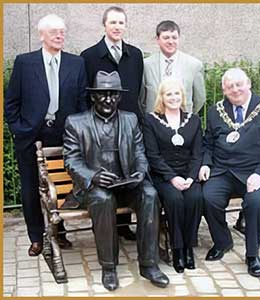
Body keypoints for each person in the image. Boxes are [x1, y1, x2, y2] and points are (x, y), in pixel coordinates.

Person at [63, 70, 169, 291]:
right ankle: (109, 267)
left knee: (150, 194)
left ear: (119, 97)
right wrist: (93, 176)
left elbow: (140, 152)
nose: (108, 99)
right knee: (103, 199)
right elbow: (71, 161)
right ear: (93, 96)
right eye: (103, 94)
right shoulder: (76, 123)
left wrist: (140, 171)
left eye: (113, 94)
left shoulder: (130, 120)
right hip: (96, 188)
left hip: (126, 183)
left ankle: (149, 264)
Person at [4, 14, 88, 257]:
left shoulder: (76, 63)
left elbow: (82, 101)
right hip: (31, 135)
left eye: (62, 31)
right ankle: (36, 237)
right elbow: (12, 102)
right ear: (42, 35)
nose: (60, 35)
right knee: (30, 187)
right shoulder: (24, 63)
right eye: (54, 32)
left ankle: (59, 232)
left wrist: (79, 132)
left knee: (63, 182)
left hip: (65, 135)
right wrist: (18, 129)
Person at [199, 68, 260, 277]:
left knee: (255, 203)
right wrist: (206, 164)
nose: (235, 89)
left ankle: (252, 254)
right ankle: (223, 241)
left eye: (239, 84)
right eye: (230, 86)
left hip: (255, 172)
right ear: (223, 90)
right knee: (206, 197)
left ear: (248, 84)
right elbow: (208, 143)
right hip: (223, 171)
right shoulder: (215, 111)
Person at [81, 6, 144, 239]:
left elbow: (137, 89)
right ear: (104, 25)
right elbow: (85, 92)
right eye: (113, 23)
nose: (117, 27)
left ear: (125, 26)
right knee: (107, 171)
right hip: (102, 125)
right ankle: (105, 222)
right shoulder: (89, 56)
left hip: (128, 124)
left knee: (126, 168)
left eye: (121, 23)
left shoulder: (135, 55)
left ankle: (123, 225)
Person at [142, 79, 203, 273]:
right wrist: (172, 178)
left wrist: (191, 177)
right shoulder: (150, 120)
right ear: (162, 97)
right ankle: (177, 249)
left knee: (195, 197)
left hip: (188, 175)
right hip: (163, 175)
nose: (173, 98)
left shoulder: (193, 120)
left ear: (182, 96)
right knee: (175, 200)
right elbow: (152, 155)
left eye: (177, 93)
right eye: (169, 94)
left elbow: (197, 153)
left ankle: (188, 248)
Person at [140, 20, 206, 114]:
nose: (171, 42)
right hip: (153, 122)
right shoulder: (146, 65)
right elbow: (141, 98)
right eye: (166, 38)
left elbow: (200, 98)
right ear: (157, 39)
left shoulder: (194, 65)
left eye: (174, 38)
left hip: (183, 122)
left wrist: (186, 115)